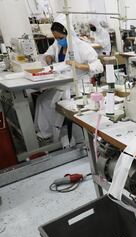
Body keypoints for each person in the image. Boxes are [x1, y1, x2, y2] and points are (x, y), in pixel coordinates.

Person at [35, 14, 103, 142]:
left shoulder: (82, 47)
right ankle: (46, 132)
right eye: (55, 38)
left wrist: (79, 65)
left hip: (77, 86)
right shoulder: (57, 45)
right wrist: (48, 57)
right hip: (62, 83)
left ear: (68, 33)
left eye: (60, 37)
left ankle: (49, 133)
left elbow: (99, 66)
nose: (58, 40)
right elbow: (48, 54)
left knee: (46, 103)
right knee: (41, 100)